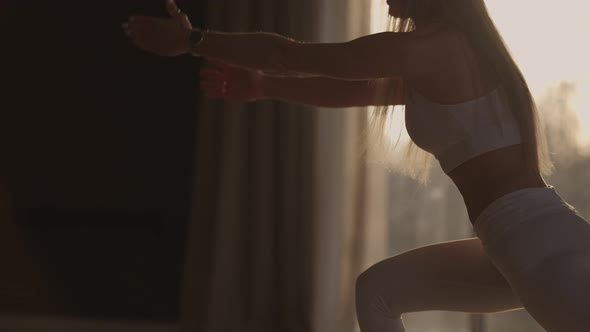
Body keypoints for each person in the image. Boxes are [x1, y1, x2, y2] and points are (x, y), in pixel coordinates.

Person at [123, 0, 590, 330]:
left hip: (542, 255)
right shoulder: (447, 54)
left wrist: (194, 41)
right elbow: (359, 90)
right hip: (517, 244)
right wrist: (263, 87)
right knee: (378, 290)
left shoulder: (432, 50)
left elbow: (290, 54)